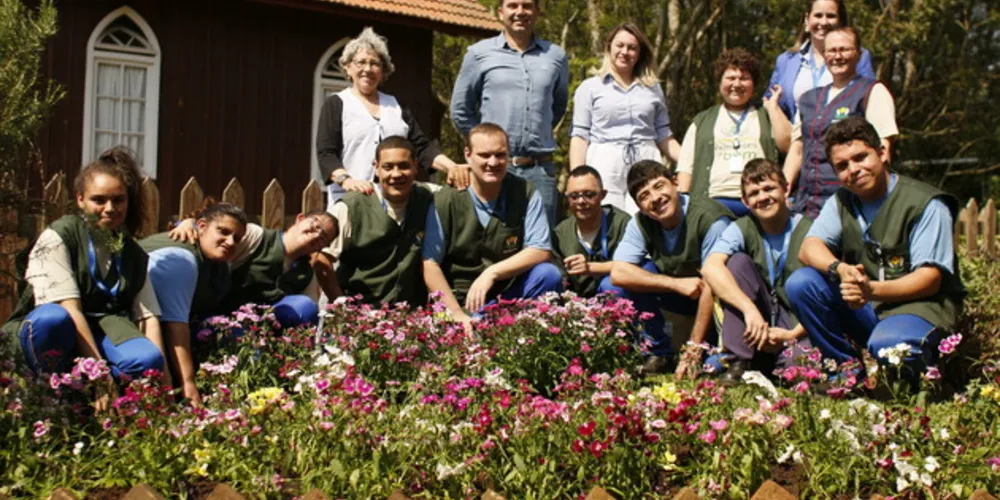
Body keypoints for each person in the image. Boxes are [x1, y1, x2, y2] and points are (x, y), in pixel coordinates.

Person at [786, 117, 964, 382]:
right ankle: (846, 374)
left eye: (861, 157)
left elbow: (930, 280)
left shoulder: (925, 204)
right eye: (842, 166)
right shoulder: (842, 202)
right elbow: (809, 247)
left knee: (890, 346)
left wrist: (870, 291)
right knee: (801, 283)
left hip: (920, 309)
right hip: (871, 307)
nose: (853, 170)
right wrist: (840, 268)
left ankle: (928, 378)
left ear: (882, 152)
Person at [2, 147, 165, 411]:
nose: (109, 208)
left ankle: (101, 406)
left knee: (146, 359)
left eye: (118, 200)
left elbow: (148, 317)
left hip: (101, 329)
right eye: (99, 200)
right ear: (80, 200)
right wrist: (100, 377)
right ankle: (47, 398)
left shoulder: (131, 251)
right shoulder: (59, 235)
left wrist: (162, 386)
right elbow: (71, 309)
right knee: (53, 320)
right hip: (53, 329)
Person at [317, 27, 467, 210]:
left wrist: (452, 167)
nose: (367, 69)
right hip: (351, 200)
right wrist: (346, 180)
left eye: (374, 63)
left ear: (383, 71)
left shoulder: (396, 105)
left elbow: (422, 147)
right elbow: (326, 153)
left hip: (395, 202)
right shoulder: (336, 103)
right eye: (360, 62)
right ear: (348, 67)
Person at [425, 123, 563, 318]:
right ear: (467, 155)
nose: (493, 162)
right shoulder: (445, 199)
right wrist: (456, 313)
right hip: (462, 300)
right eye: (484, 155)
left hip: (508, 294)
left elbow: (540, 249)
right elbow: (430, 264)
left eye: (500, 155)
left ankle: (512, 324)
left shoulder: (525, 192)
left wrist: (492, 273)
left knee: (548, 274)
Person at [451, 0, 569, 226]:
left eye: (527, 6)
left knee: (542, 240)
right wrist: (484, 146)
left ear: (537, 11)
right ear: (500, 12)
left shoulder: (556, 56)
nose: (520, 12)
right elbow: (460, 110)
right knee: (491, 236)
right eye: (513, 5)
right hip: (493, 168)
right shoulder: (478, 54)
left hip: (540, 170)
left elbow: (557, 106)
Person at [610, 160, 733, 376]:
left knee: (713, 367)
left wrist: (694, 346)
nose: (655, 198)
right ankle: (657, 352)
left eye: (659, 186)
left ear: (676, 183)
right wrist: (675, 284)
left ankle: (724, 350)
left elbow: (714, 282)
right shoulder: (641, 223)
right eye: (644, 196)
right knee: (630, 276)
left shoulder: (710, 219)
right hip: (681, 293)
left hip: (719, 300)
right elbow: (618, 273)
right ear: (640, 208)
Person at [701, 160, 813, 385]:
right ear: (745, 201)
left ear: (786, 189)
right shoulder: (742, 227)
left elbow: (827, 296)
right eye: (754, 193)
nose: (762, 197)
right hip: (757, 319)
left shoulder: (810, 230)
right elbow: (710, 268)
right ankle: (739, 360)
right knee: (736, 263)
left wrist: (791, 335)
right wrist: (749, 309)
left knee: (798, 373)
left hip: (797, 325)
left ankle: (780, 362)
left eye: (769, 188)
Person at [313, 136, 439, 310]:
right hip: (361, 313)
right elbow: (321, 261)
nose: (396, 174)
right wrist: (342, 307)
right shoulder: (352, 207)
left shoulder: (429, 197)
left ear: (415, 167)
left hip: (411, 315)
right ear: (376, 168)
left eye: (404, 166)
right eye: (388, 167)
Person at [783, 27, 898, 217]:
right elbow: (797, 149)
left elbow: (883, 151)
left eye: (844, 49)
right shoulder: (808, 99)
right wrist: (783, 188)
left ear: (858, 54)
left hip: (852, 205)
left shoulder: (872, 91)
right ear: (824, 54)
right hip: (807, 205)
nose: (837, 56)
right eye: (831, 50)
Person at [141, 202, 248, 404]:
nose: (230, 241)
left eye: (237, 238)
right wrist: (188, 384)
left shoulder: (218, 265)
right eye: (223, 232)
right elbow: (176, 327)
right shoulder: (180, 259)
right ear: (202, 226)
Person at [569, 23, 679, 215]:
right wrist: (578, 179)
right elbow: (580, 136)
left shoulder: (653, 89)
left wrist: (690, 162)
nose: (625, 52)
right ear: (609, 47)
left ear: (639, 53)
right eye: (619, 45)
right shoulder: (589, 87)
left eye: (632, 47)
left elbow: (663, 134)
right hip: (605, 159)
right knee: (609, 217)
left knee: (647, 218)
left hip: (646, 158)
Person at [171, 210, 337, 327]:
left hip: (261, 328)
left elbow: (308, 317)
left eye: (324, 237)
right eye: (316, 225)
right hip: (219, 317)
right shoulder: (256, 237)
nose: (316, 235)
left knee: (305, 306)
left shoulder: (305, 273)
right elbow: (213, 234)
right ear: (300, 218)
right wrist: (188, 223)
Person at [677, 48, 790, 217]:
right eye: (730, 78)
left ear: (754, 83)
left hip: (760, 201)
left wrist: (773, 107)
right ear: (719, 82)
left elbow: (788, 146)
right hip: (712, 204)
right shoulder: (702, 120)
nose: (736, 84)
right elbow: (686, 168)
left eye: (744, 78)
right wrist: (683, 206)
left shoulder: (767, 115)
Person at [763, 0, 875, 122]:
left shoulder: (858, 56)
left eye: (831, 16)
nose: (824, 22)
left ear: (841, 21)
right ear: (807, 20)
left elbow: (869, 98)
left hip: (844, 132)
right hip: (796, 133)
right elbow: (770, 101)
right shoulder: (786, 61)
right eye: (818, 15)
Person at [551, 166, 631, 298]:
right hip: (577, 302)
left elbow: (632, 266)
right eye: (574, 196)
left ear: (603, 194)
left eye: (589, 195)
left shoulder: (622, 224)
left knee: (611, 283)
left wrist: (590, 267)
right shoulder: (560, 234)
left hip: (618, 298)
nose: (581, 201)